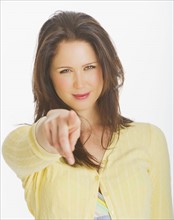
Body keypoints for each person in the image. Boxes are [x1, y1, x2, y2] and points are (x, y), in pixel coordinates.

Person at [2, 10, 173, 220]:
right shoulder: (33, 147)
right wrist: (48, 130)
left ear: (106, 67)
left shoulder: (149, 139)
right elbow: (17, 150)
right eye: (65, 71)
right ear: (48, 76)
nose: (80, 83)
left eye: (89, 67)